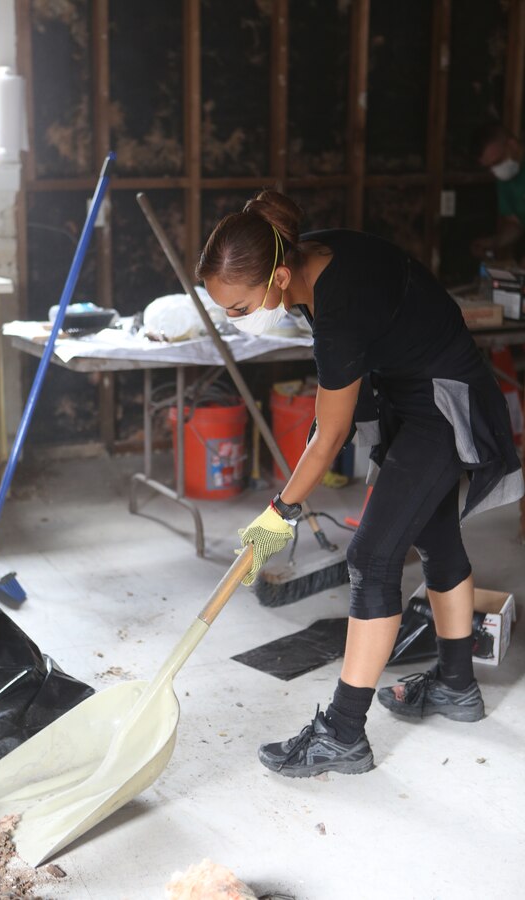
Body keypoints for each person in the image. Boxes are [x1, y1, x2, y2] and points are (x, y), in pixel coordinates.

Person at [196, 191, 524, 778]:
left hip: (442, 405)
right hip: (410, 390)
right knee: (437, 539)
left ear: (278, 276)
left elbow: (329, 434)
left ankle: (343, 734)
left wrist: (280, 513)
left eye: (242, 308)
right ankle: (456, 686)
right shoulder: (312, 252)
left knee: (372, 558)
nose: (238, 321)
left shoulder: (337, 308)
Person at [471, 122, 525, 261]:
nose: (495, 170)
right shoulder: (504, 181)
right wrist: (494, 243)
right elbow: (517, 223)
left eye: (497, 162)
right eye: (489, 167)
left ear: (512, 145)